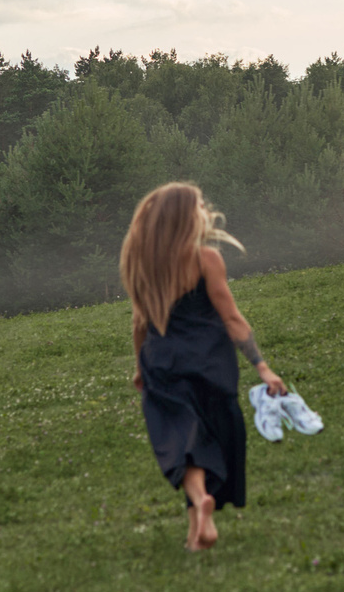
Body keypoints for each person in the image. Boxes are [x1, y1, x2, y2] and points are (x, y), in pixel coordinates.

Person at [120, 183, 284, 552]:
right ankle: (198, 526)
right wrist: (262, 367)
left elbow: (140, 325)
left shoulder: (145, 264)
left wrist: (140, 369)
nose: (205, 212)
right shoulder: (207, 259)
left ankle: (199, 510)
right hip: (213, 361)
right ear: (184, 217)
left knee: (181, 440)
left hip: (163, 362)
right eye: (198, 207)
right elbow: (232, 317)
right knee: (210, 434)